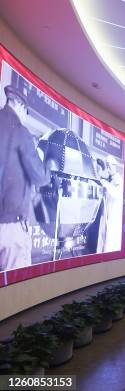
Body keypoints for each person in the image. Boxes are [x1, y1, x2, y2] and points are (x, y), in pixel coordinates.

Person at [0, 85, 50, 272]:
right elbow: (40, 177)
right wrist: (48, 167)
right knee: (14, 286)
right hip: (10, 225)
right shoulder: (20, 132)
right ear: (20, 106)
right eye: (25, 113)